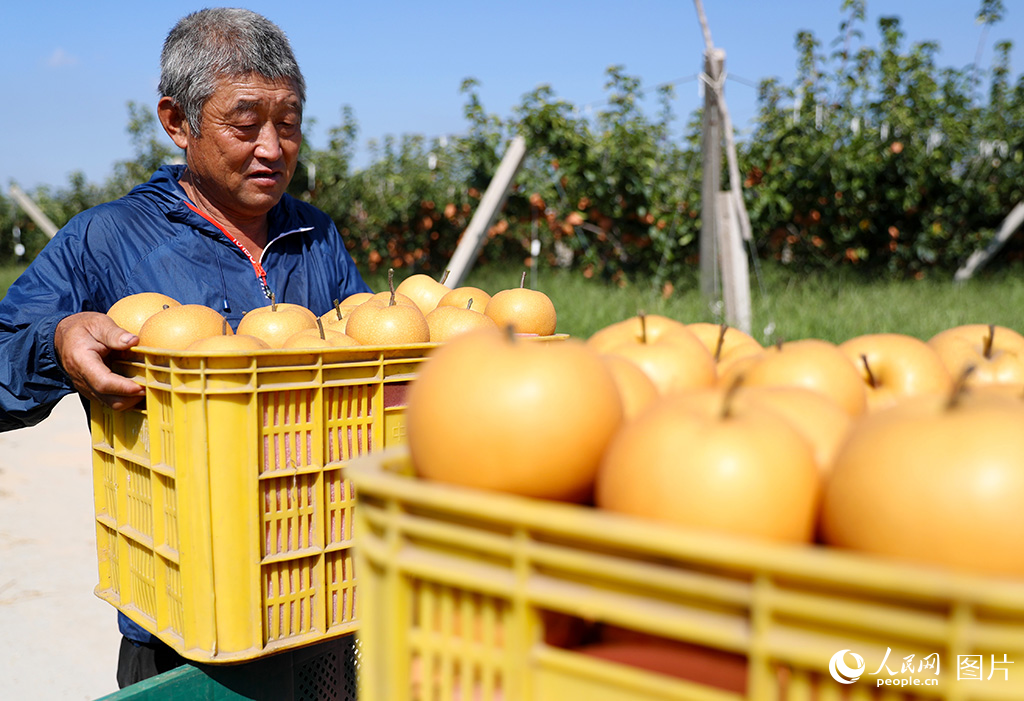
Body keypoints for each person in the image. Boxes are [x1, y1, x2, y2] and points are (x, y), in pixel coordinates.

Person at [0, 7, 371, 687]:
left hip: (316, 599)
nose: (272, 147)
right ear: (178, 122)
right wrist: (57, 339)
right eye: (245, 122)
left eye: (288, 124)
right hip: (180, 614)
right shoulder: (104, 240)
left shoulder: (318, 238)